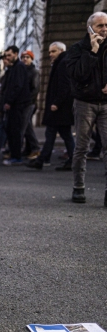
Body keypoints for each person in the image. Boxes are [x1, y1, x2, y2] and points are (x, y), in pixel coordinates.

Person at [66, 11, 107, 205]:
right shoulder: (77, 49)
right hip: (85, 103)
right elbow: (78, 74)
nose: (104, 29)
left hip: (106, 104)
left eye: (106, 25)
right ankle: (78, 187)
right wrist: (93, 51)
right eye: (100, 25)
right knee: (82, 147)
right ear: (90, 28)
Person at [26, 42, 75, 171]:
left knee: (59, 134)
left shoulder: (63, 63)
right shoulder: (61, 63)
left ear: (61, 50)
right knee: (56, 134)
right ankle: (44, 160)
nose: (50, 54)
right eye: (49, 52)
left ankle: (44, 160)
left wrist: (56, 103)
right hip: (60, 108)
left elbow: (65, 86)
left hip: (59, 108)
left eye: (53, 51)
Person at [2, 45, 31, 166]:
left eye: (9, 55)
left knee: (15, 130)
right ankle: (15, 154)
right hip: (15, 104)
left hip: (17, 104)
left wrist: (9, 101)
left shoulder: (18, 67)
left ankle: (16, 156)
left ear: (15, 54)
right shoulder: (14, 68)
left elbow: (17, 87)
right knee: (12, 130)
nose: (7, 58)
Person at [20, 50, 41, 159]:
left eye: (27, 57)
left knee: (26, 126)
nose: (25, 59)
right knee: (27, 125)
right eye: (23, 57)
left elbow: (35, 88)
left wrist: (27, 101)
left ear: (31, 59)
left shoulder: (34, 72)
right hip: (24, 103)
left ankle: (35, 148)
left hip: (29, 103)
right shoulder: (23, 71)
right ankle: (29, 149)